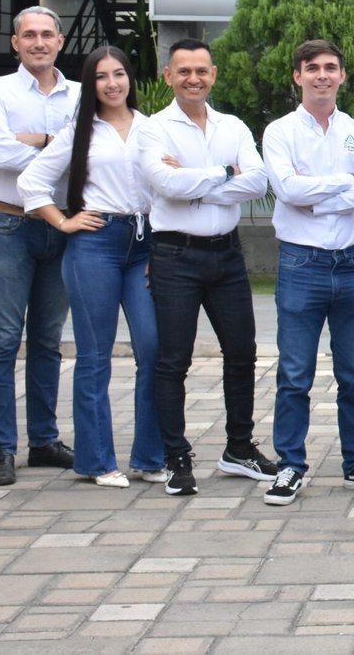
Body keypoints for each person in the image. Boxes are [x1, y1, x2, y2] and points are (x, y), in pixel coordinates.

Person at [261, 40, 354, 506]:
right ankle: (289, 466)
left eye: (330, 68)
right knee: (295, 373)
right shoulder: (280, 132)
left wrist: (314, 197)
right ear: (297, 76)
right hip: (301, 264)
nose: (322, 75)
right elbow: (285, 189)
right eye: (312, 68)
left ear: (342, 75)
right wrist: (348, 183)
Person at [17, 46, 161, 488]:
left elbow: (168, 183)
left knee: (154, 350)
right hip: (94, 244)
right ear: (91, 83)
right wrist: (63, 221)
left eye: (119, 74)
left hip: (145, 244)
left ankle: (150, 457)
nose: (112, 83)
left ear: (130, 79)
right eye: (101, 77)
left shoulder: (153, 129)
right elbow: (30, 182)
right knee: (95, 356)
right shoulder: (79, 132)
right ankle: (97, 461)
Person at [134, 38, 272, 495]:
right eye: (184, 71)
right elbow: (165, 184)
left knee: (242, 352)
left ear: (213, 74)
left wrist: (198, 181)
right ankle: (175, 457)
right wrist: (224, 173)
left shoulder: (232, 125)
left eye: (202, 70)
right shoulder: (153, 129)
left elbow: (258, 181)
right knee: (173, 360)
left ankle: (239, 447)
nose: (194, 78)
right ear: (168, 77)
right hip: (175, 256)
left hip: (227, 255)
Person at [0, 5, 80, 486]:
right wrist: (60, 144)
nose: (39, 42)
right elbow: (0, 152)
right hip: (10, 226)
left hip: (59, 228)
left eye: (47, 35)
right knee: (0, 341)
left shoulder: (81, 95)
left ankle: (43, 441)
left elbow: (91, 151)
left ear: (60, 42)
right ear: (15, 43)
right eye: (29, 35)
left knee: (46, 341)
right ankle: (2, 448)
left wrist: (37, 140)